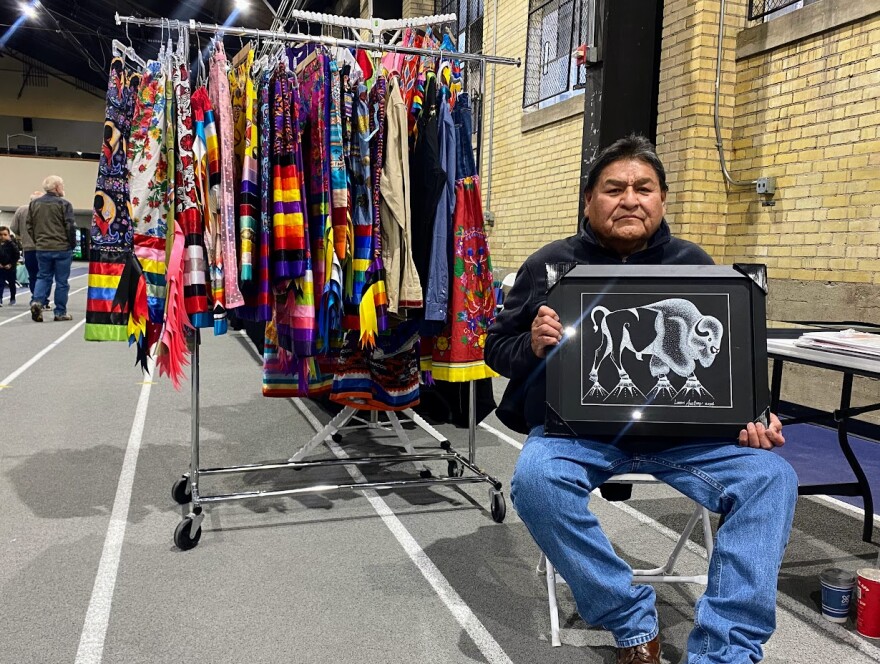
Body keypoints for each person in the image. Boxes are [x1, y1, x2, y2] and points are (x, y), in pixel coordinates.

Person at [485, 135, 797, 664]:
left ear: (662, 200)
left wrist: (753, 414)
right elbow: (496, 346)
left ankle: (726, 650)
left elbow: (729, 363)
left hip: (684, 439)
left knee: (772, 479)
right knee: (536, 481)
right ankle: (630, 618)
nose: (630, 199)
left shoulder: (695, 264)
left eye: (643, 188)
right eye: (614, 188)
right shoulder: (550, 265)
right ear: (589, 201)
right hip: (578, 436)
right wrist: (532, 347)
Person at [27, 175, 76, 322]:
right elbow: (70, 226)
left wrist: (38, 241)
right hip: (62, 248)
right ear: (56, 188)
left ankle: (37, 301)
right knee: (62, 282)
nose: (63, 188)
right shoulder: (64, 204)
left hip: (42, 248)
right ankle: (60, 312)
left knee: (43, 277)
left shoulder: (34, 204)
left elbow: (29, 226)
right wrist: (71, 244)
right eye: (62, 185)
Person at [10, 191, 48, 305]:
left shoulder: (21, 210)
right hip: (45, 247)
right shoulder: (46, 210)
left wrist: (23, 236)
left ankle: (35, 299)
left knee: (33, 275)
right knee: (45, 275)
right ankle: (43, 300)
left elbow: (13, 227)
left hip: (28, 248)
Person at [0, 225, 21, 306]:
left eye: (5, 235)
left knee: (12, 283)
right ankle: (0, 299)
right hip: (1, 268)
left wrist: (11, 264)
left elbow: (16, 255)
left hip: (11, 268)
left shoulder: (12, 244)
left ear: (8, 235)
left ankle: (12, 298)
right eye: (1, 235)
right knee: (0, 283)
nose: (2, 237)